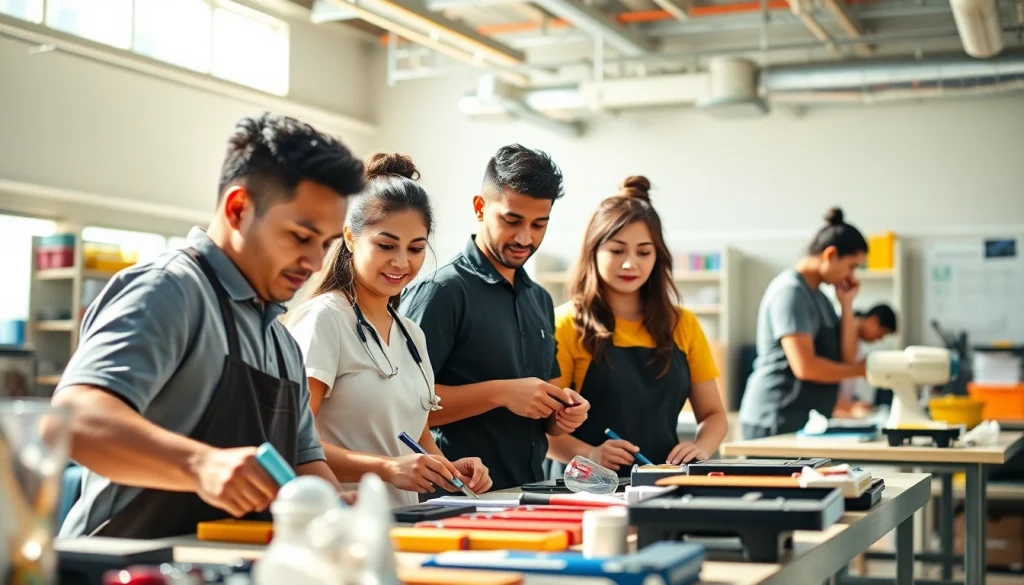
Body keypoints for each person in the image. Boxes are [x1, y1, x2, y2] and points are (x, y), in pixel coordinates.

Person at [51, 113, 365, 538]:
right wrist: (200, 465)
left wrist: (333, 512)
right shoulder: (169, 290)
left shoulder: (281, 340)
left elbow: (304, 464)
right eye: (299, 236)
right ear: (238, 209)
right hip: (122, 567)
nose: (313, 264)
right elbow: (73, 421)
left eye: (325, 245)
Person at [285, 153, 493, 508]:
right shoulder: (325, 319)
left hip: (403, 523)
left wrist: (449, 469)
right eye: (386, 246)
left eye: (415, 249)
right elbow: (292, 437)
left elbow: (413, 435)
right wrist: (386, 468)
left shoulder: (412, 334)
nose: (402, 262)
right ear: (350, 238)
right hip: (342, 523)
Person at [399, 144, 591, 492]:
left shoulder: (541, 300)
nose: (525, 237)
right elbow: (401, 407)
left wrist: (563, 415)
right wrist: (500, 393)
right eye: (511, 220)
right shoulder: (441, 292)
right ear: (479, 208)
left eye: (539, 224)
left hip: (531, 493)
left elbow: (545, 421)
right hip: (457, 496)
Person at [546, 177, 728, 475]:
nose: (631, 264)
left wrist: (702, 447)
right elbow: (542, 428)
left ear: (658, 257)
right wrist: (589, 453)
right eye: (617, 251)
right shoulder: (567, 324)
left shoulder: (682, 324)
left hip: (663, 480)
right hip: (585, 486)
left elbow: (713, 414)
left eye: (644, 252)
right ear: (593, 251)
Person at [739, 207, 870, 440]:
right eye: (852, 266)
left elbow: (846, 360)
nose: (852, 276)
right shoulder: (791, 292)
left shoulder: (821, 296)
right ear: (830, 255)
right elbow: (805, 367)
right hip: (774, 418)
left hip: (802, 419)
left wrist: (847, 304)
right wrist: (861, 370)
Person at [835, 304, 898, 417]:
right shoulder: (841, 333)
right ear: (873, 321)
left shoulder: (858, 344)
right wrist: (850, 407)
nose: (879, 339)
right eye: (881, 334)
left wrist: (853, 404)